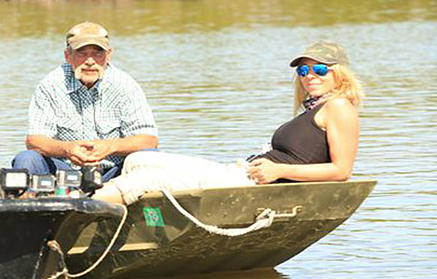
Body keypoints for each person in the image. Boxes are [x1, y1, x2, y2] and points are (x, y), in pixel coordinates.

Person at [95, 41, 363, 205]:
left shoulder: (339, 106)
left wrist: (277, 170)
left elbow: (341, 171)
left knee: (150, 176)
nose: (309, 76)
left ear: (340, 74)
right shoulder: (314, 109)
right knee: (139, 159)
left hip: (252, 185)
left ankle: (76, 205)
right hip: (242, 172)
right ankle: (100, 203)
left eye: (319, 69)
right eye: (303, 71)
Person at [11, 21, 158, 182]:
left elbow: (149, 140)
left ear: (108, 55)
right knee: (27, 158)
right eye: (82, 53)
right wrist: (67, 149)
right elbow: (34, 141)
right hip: (63, 173)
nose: (90, 61)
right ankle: (29, 201)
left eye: (97, 53)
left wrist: (110, 146)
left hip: (113, 174)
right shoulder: (50, 85)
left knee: (150, 159)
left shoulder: (126, 86)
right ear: (68, 56)